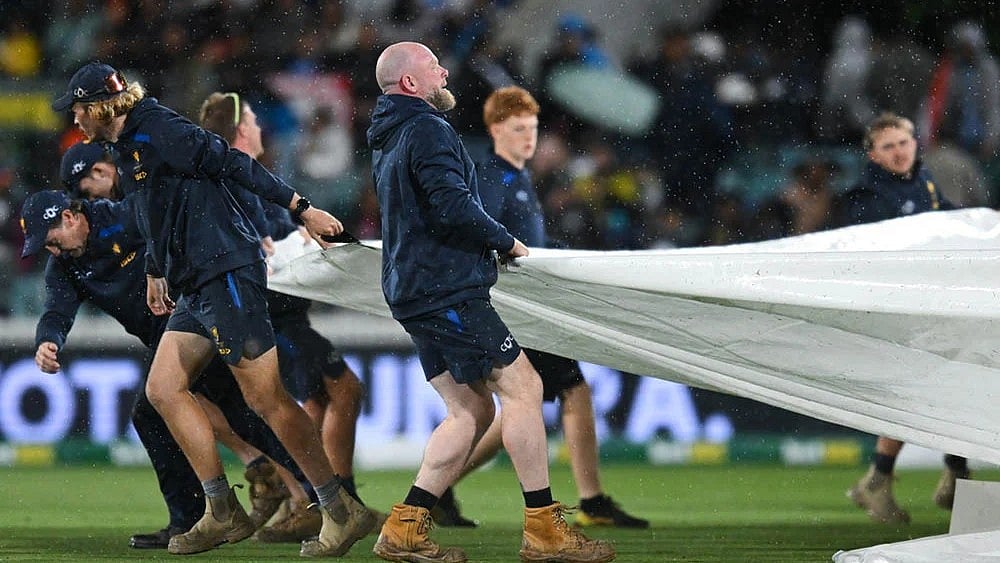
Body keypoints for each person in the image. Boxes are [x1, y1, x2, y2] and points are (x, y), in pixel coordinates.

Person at [51, 61, 372, 556]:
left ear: (98, 105)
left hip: (225, 272)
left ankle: (338, 508)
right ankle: (222, 510)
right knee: (163, 390)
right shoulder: (125, 144)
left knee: (267, 401)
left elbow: (233, 164)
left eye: (77, 109)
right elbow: (150, 209)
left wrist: (301, 207)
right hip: (194, 281)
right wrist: (157, 267)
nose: (74, 118)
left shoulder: (162, 129)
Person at [367, 41, 614, 563]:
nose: (445, 71)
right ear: (411, 84)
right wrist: (505, 242)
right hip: (444, 286)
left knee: (469, 409)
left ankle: (404, 528)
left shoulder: (386, 135)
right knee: (525, 386)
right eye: (435, 67)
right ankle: (544, 529)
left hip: (410, 287)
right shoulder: (427, 128)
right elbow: (452, 206)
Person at [20, 188, 308, 549]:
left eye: (52, 241)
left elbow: (181, 221)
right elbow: (56, 311)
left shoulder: (124, 217)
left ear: (70, 217)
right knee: (241, 412)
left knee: (189, 411)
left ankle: (216, 511)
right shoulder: (65, 266)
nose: (54, 251)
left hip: (195, 318)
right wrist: (48, 340)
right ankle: (311, 493)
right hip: (169, 337)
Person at [431, 85, 647, 531]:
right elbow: (483, 231)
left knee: (531, 399)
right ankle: (590, 500)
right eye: (518, 129)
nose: (528, 137)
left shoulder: (518, 176)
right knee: (564, 391)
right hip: (516, 308)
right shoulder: (494, 178)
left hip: (527, 305)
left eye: (532, 128)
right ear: (495, 130)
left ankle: (440, 487)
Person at [198, 90, 383, 542]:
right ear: (240, 130)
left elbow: (275, 238)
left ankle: (317, 501)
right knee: (341, 392)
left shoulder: (248, 180)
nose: (262, 128)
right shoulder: (238, 183)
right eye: (256, 120)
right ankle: (327, 499)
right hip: (275, 317)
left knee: (321, 400)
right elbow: (264, 248)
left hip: (283, 315)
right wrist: (294, 240)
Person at [838, 112, 966, 524]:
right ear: (873, 156)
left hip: (926, 306)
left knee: (936, 387)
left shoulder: (923, 182)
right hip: (894, 311)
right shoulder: (868, 195)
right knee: (925, 390)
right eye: (888, 146)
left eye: (904, 142)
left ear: (916, 144)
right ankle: (948, 473)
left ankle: (934, 473)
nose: (898, 151)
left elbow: (954, 222)